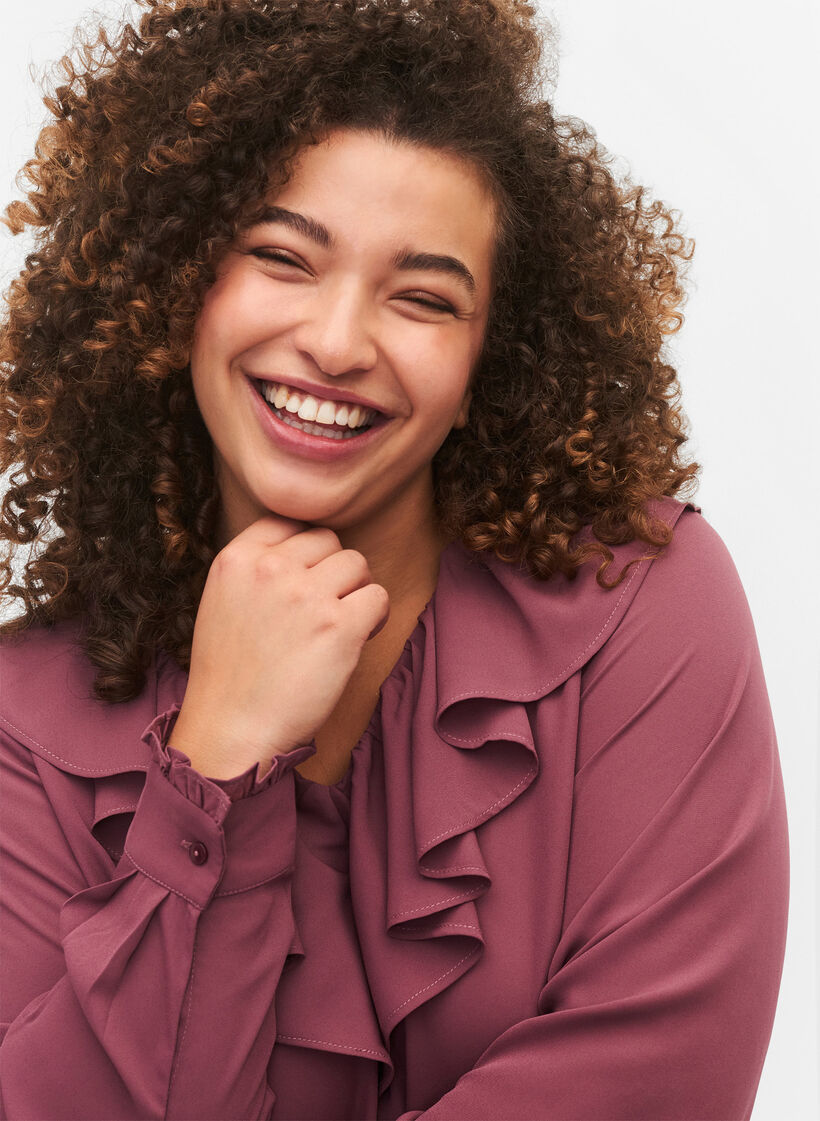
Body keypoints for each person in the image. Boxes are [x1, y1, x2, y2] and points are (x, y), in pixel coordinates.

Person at [0, 1, 788, 1118]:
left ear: (487, 363)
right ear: (174, 290)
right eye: (282, 257)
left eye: (423, 297)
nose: (335, 342)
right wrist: (215, 760)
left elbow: (665, 1074)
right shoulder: (27, 716)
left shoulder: (641, 601)